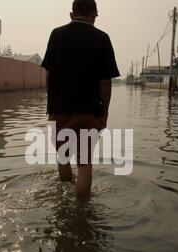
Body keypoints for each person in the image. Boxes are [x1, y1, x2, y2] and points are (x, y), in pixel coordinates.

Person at [41, 0, 120, 197]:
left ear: (71, 14)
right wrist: (105, 113)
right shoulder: (102, 38)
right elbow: (105, 82)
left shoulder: (56, 35)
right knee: (84, 164)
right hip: (89, 112)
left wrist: (51, 108)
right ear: (94, 15)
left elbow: (48, 76)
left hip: (59, 110)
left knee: (63, 157)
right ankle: (82, 214)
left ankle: (66, 202)